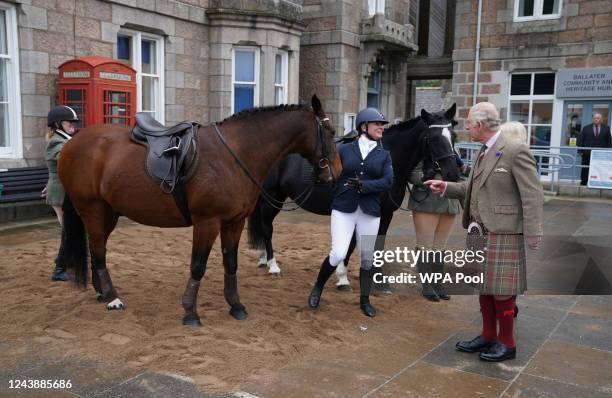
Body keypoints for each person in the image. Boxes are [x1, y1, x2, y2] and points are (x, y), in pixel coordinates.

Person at [425, 102, 543, 362]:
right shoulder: (483, 150)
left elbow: (532, 194)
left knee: (501, 289)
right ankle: (488, 335)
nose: (466, 129)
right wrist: (446, 186)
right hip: (478, 231)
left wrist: (533, 231)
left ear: (479, 125)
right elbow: (473, 188)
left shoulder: (515, 150)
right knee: (483, 286)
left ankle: (507, 343)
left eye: (468, 125)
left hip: (503, 232)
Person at [308, 107, 393, 317]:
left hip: (370, 211)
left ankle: (365, 300)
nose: (381, 128)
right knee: (338, 253)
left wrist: (365, 186)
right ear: (364, 127)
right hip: (344, 208)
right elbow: (331, 173)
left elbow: (388, 181)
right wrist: (328, 183)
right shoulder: (344, 150)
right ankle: (318, 287)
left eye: (382, 125)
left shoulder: (384, 155)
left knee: (367, 258)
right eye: (377, 124)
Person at [407, 151, 461, 302]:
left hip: (450, 203)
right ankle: (426, 285)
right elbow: (412, 174)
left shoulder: (451, 152)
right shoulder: (423, 152)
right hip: (427, 203)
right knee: (425, 246)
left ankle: (437, 283)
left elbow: (459, 176)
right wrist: (427, 176)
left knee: (440, 247)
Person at [44, 105, 79, 281]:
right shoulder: (56, 142)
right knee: (69, 230)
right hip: (60, 192)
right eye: (69, 122)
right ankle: (59, 270)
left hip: (62, 189)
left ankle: (63, 260)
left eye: (74, 122)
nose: (73, 125)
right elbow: (67, 159)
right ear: (58, 124)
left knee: (69, 229)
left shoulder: (65, 139)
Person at [577, 113, 611, 185]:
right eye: (595, 118)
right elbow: (581, 139)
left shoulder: (607, 128)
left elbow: (609, 141)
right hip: (587, 152)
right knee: (585, 167)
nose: (596, 119)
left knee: (600, 168)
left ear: (601, 119)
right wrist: (579, 150)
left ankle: (600, 182)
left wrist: (609, 151)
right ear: (593, 119)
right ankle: (584, 181)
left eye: (598, 118)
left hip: (601, 153)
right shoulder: (586, 128)